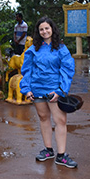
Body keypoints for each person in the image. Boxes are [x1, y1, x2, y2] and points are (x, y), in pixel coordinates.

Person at [19, 16, 77, 168]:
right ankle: (48, 150)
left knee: (60, 121)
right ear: (38, 32)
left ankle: (61, 155)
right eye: (41, 29)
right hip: (37, 89)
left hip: (54, 90)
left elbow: (67, 69)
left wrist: (61, 90)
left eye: (47, 28)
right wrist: (27, 89)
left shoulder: (61, 49)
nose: (44, 31)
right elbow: (27, 70)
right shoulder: (33, 50)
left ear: (52, 29)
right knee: (43, 118)